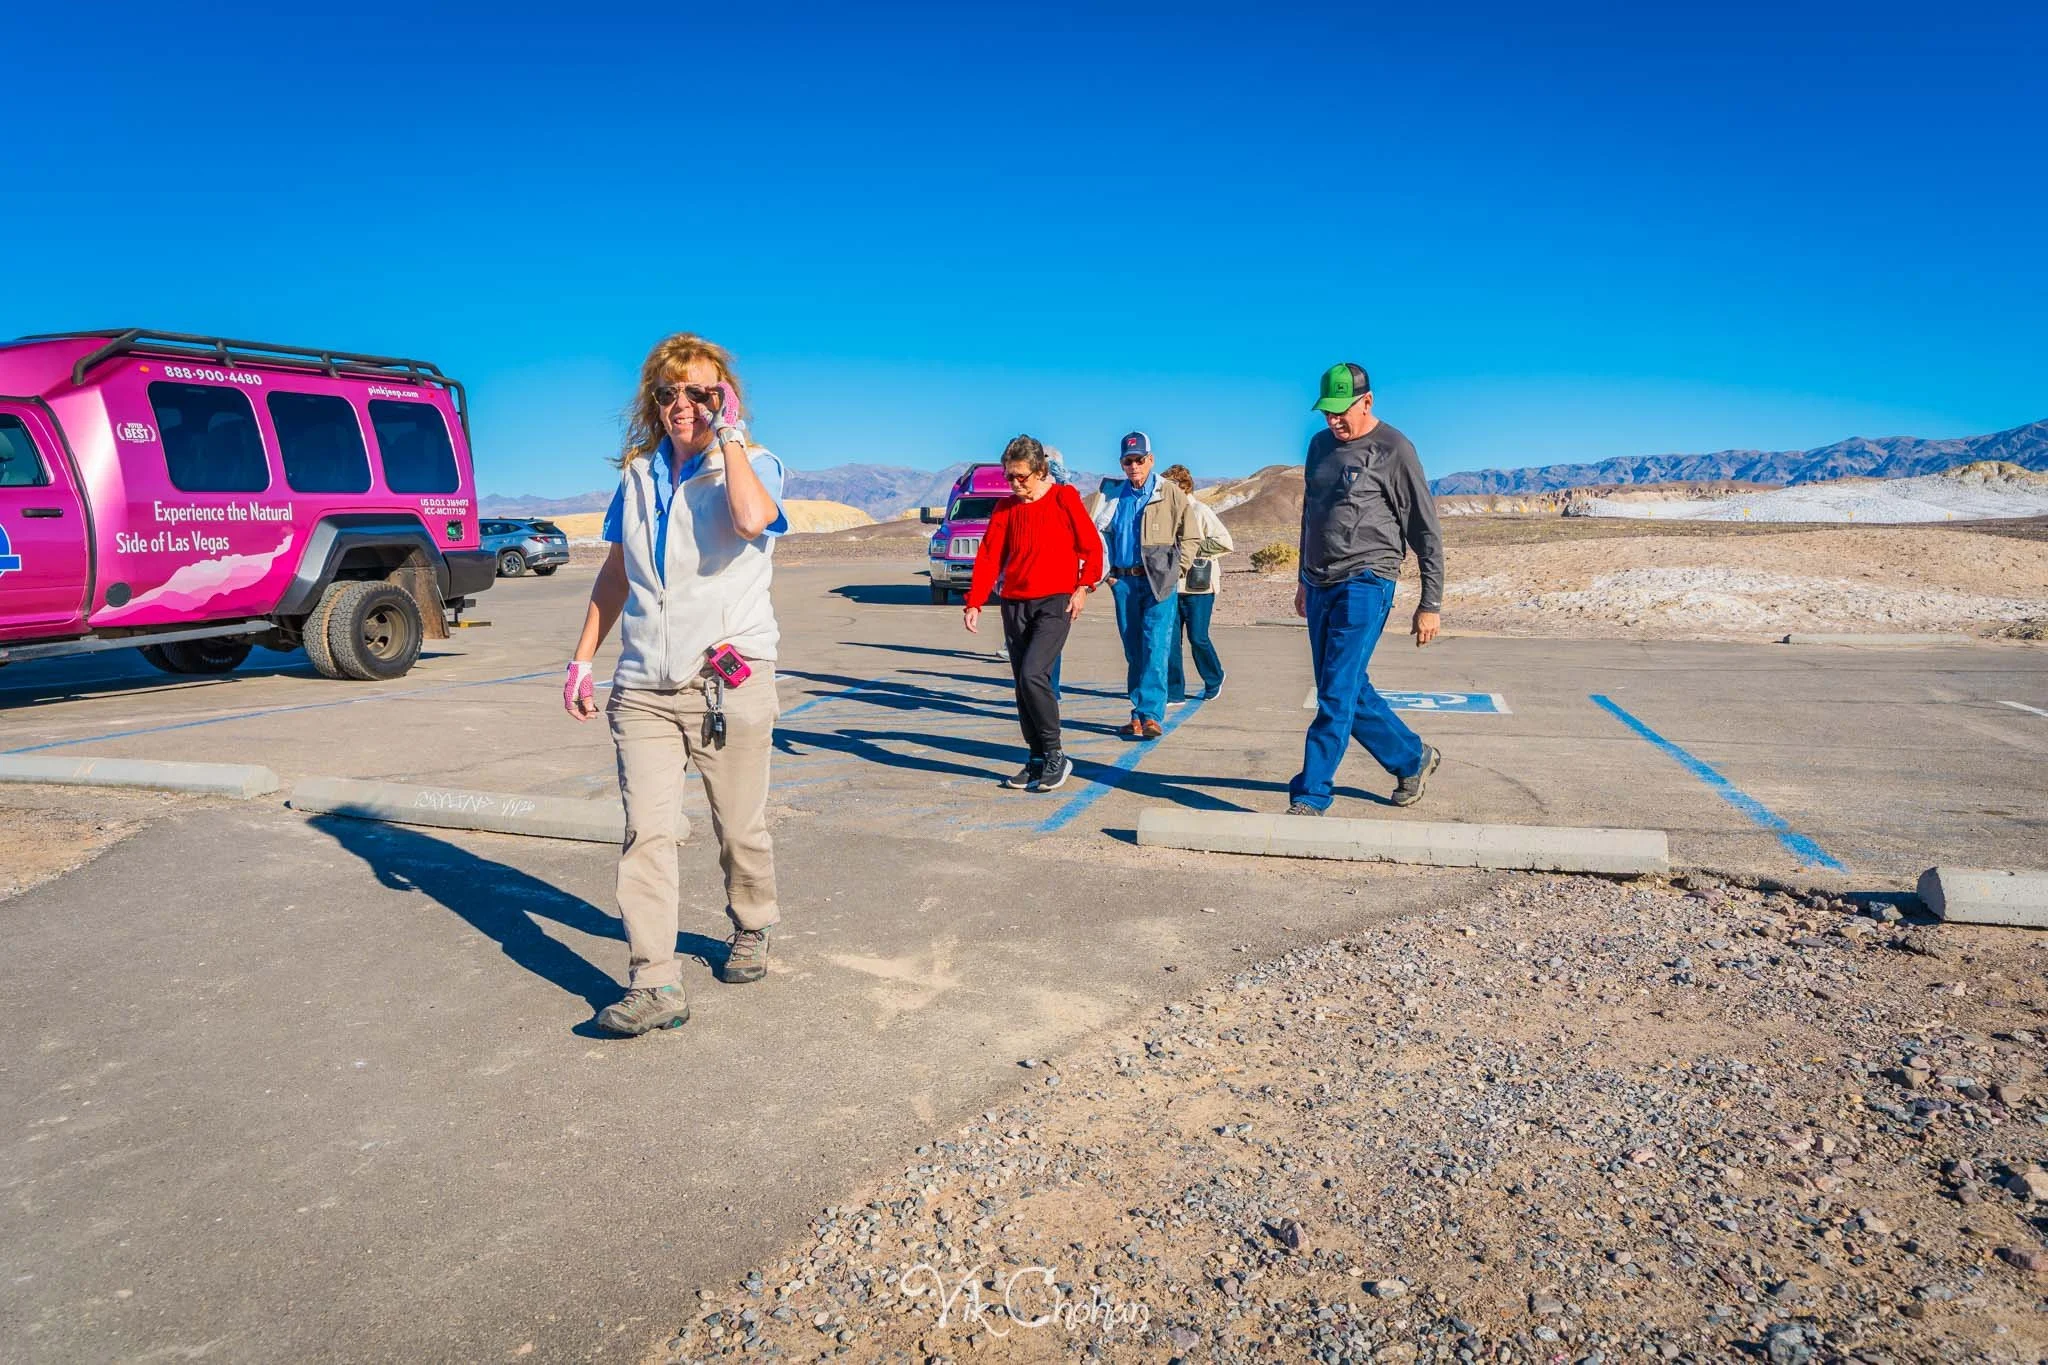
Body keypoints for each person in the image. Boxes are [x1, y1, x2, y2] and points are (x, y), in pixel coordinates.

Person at [564, 333, 790, 1036]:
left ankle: (751, 923)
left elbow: (752, 520)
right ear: (653, 402)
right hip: (643, 686)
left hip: (727, 680)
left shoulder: (753, 466)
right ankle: (655, 980)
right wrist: (583, 657)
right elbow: (615, 571)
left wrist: (729, 440)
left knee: (739, 825)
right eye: (669, 393)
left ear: (725, 397)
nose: (682, 404)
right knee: (647, 833)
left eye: (700, 391)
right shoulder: (637, 478)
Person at [1288, 362, 1445, 815]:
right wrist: (1302, 577)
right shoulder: (1319, 447)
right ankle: (1412, 758)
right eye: (1327, 413)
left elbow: (1426, 530)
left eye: (1342, 412)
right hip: (1320, 582)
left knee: (1335, 693)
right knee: (1346, 687)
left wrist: (1429, 602)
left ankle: (1311, 793)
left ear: (1368, 401)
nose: (1334, 421)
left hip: (1367, 579)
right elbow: (1311, 516)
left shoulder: (1394, 449)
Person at [963, 435, 1102, 793]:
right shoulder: (1005, 508)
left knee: (1033, 674)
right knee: (1022, 686)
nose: (1014, 483)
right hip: (1015, 602)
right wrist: (975, 601)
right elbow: (989, 556)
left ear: (1040, 471)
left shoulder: (1063, 498)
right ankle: (1036, 757)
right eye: (1009, 476)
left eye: (1021, 476)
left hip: (1055, 602)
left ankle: (1057, 754)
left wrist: (1084, 586)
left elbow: (1091, 545)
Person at [1093, 431, 1199, 740]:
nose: (1134, 466)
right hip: (1124, 581)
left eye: (1140, 460)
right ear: (1121, 464)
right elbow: (1100, 534)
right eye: (1128, 461)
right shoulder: (1113, 495)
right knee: (1133, 649)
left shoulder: (1169, 493)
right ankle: (1138, 714)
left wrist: (1176, 569)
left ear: (1150, 460)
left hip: (1158, 581)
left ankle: (1152, 714)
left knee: (1156, 646)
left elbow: (1190, 535)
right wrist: (1108, 576)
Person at [1159, 463, 1234, 703]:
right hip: (1171, 585)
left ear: (1183, 487)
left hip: (1198, 586)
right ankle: (1174, 690)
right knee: (1170, 640)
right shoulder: (1166, 513)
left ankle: (1214, 677)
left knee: (1197, 636)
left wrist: (1191, 548)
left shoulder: (1201, 511)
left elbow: (1224, 542)